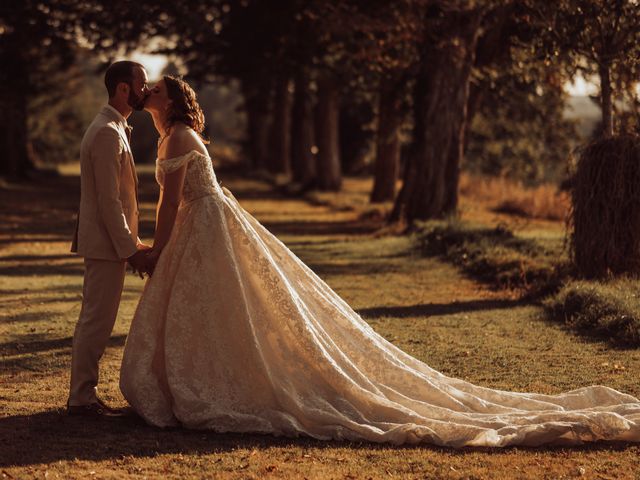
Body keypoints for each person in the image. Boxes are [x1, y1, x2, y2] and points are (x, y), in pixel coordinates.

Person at [120, 76, 640, 447]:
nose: (148, 94)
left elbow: (169, 203)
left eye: (156, 89)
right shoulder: (169, 136)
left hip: (204, 228)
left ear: (173, 100)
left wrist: (156, 249)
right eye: (146, 89)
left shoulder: (178, 136)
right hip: (207, 224)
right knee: (220, 309)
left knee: (227, 306)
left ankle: (217, 382)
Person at [68, 61, 152, 417]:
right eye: (140, 83)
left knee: (97, 319)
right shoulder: (105, 131)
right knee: (96, 320)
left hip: (110, 243)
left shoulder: (115, 127)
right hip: (105, 245)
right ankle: (81, 399)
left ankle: (84, 395)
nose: (144, 90)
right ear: (122, 88)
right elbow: (108, 201)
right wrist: (129, 250)